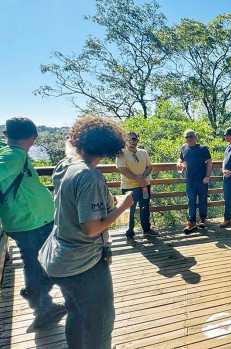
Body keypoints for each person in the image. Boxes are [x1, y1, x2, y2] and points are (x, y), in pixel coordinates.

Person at [39, 116, 134, 349]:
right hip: (84, 264)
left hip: (59, 260)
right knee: (99, 325)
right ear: (107, 148)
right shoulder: (89, 176)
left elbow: (69, 148)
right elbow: (91, 228)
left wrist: (73, 138)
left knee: (77, 315)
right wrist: (122, 206)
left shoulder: (65, 166)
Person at [0, 117, 66, 330]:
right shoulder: (14, 155)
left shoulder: (7, 151)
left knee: (34, 262)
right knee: (45, 263)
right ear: (35, 137)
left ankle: (37, 295)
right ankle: (39, 301)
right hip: (32, 222)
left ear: (6, 134)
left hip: (24, 221)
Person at [116, 132, 156, 245]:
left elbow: (149, 166)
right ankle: (129, 235)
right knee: (129, 211)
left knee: (145, 208)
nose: (131, 141)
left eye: (133, 139)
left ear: (137, 140)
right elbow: (122, 169)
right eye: (128, 139)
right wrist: (136, 178)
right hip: (129, 187)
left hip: (144, 185)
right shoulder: (121, 154)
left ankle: (146, 230)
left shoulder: (143, 152)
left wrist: (143, 177)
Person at [177, 129, 213, 233]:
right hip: (190, 180)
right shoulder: (184, 148)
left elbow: (210, 162)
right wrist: (179, 163)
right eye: (187, 137)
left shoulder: (203, 148)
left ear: (195, 137)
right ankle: (191, 221)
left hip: (202, 180)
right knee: (191, 201)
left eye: (191, 136)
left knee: (202, 200)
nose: (189, 139)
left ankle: (202, 219)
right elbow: (180, 159)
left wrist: (207, 176)